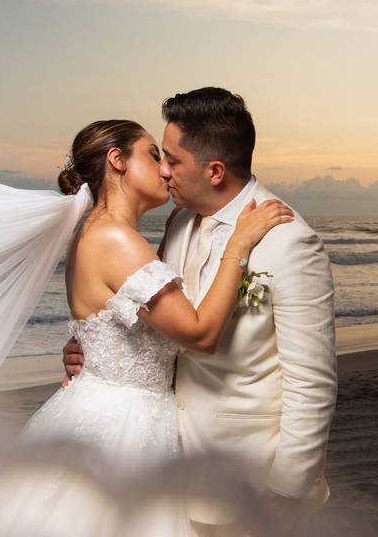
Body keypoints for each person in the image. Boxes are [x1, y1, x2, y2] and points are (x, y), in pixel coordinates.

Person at [63, 88, 338, 536]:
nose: (164, 170)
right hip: (167, 460)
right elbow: (144, 311)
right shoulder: (178, 221)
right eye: (158, 157)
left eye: (171, 159)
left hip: (245, 478)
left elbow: (312, 381)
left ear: (214, 171)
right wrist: (93, 352)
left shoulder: (288, 241)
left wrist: (290, 488)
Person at [14, 118, 293, 535]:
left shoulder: (101, 233)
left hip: (104, 409)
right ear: (117, 161)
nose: (164, 168)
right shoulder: (116, 240)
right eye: (153, 154)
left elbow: (118, 317)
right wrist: (236, 245)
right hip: (121, 429)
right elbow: (199, 333)